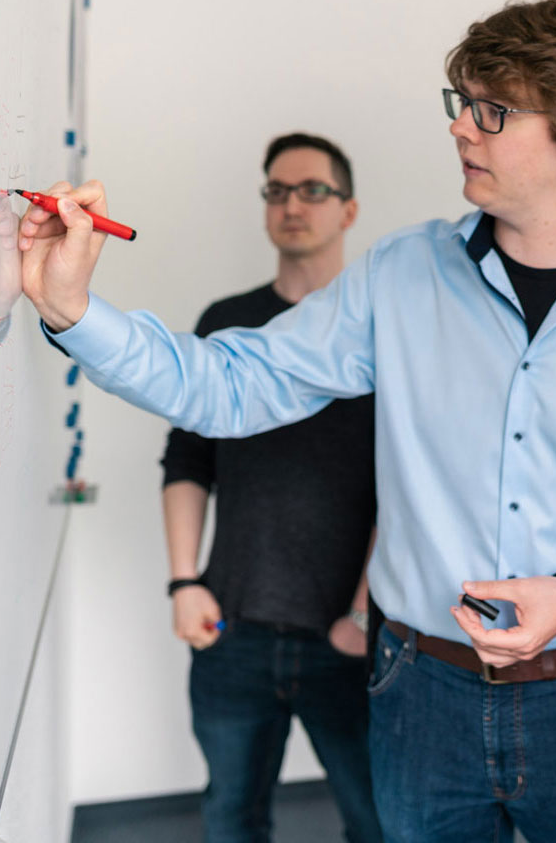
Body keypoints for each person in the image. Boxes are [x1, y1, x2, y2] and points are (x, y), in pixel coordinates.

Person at [19, 0, 556, 842]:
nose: (462, 130)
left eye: (494, 111)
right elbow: (230, 385)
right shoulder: (403, 274)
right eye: (462, 104)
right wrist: (74, 310)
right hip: (422, 698)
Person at [160, 132, 381, 843]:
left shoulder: (382, 330)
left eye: (313, 189)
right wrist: (184, 581)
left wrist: (363, 610)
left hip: (350, 635)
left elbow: (413, 484)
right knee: (231, 817)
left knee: (379, 820)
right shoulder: (227, 324)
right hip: (233, 628)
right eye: (277, 190)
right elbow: (187, 460)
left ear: (347, 211)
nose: (293, 204)